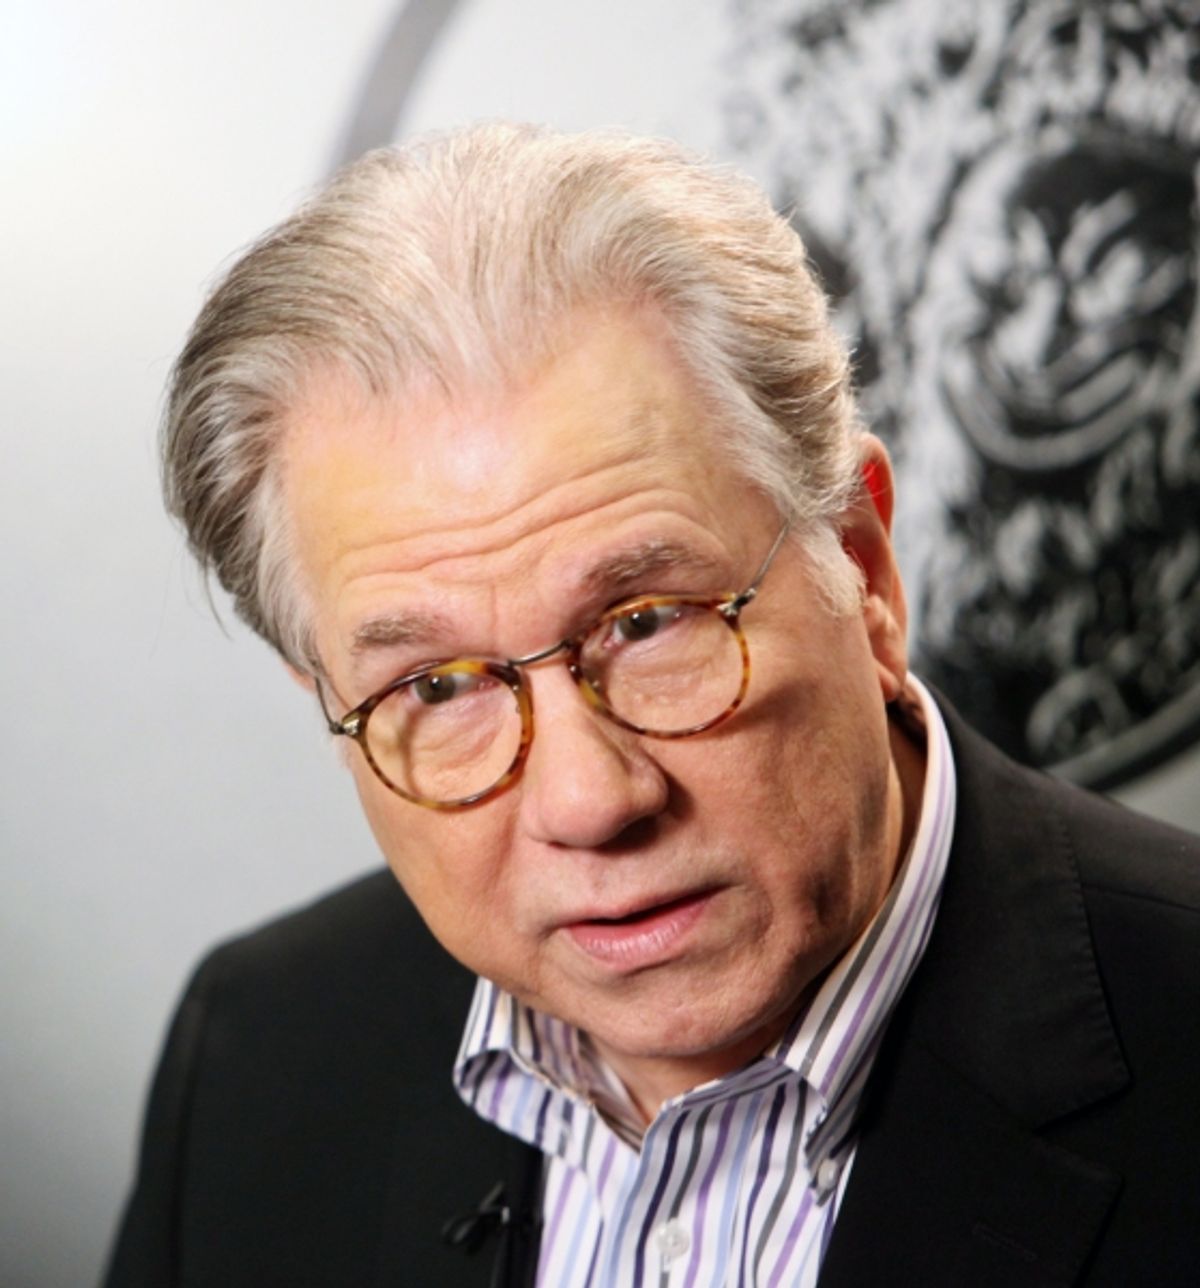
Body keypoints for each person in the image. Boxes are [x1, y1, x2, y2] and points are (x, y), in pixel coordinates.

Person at [104, 123, 1200, 1288]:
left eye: (648, 623)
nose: (589, 800)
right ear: (333, 705)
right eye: (435, 686)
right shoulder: (257, 1054)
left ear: (864, 571)